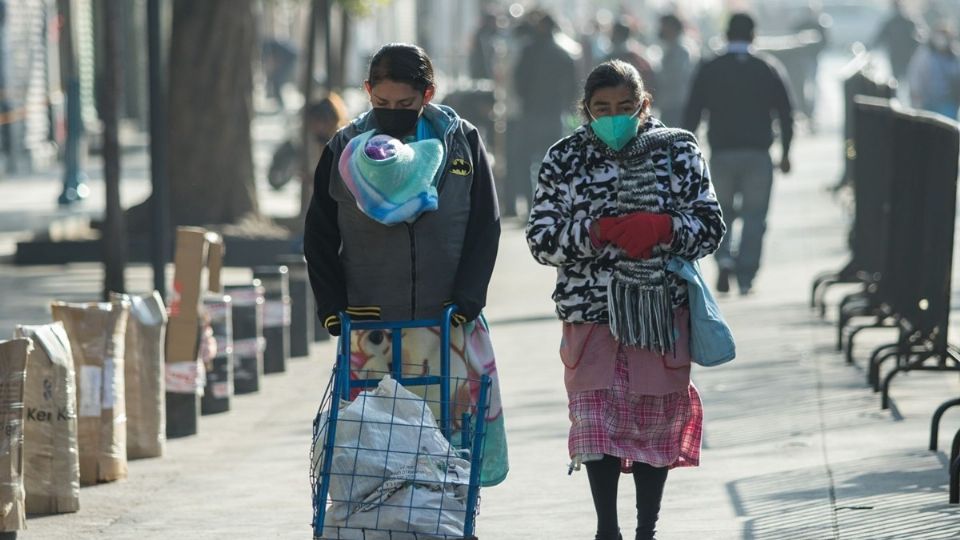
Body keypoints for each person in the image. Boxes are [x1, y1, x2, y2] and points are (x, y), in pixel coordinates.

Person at [526, 59, 724, 540]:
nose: (613, 116)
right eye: (601, 108)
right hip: (589, 315)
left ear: (644, 106)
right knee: (596, 424)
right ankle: (607, 528)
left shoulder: (678, 151)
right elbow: (541, 239)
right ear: (585, 111)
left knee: (653, 426)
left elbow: (709, 226)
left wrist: (664, 227)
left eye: (624, 107)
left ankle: (645, 529)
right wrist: (595, 233)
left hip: (659, 313)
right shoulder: (564, 158)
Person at [304, 43, 508, 486]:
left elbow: (484, 226)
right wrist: (333, 308)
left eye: (405, 104)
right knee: (376, 451)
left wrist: (469, 298)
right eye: (382, 104)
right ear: (367, 92)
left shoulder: (461, 143)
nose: (392, 113)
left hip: (447, 324)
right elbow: (319, 236)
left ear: (428, 94)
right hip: (371, 330)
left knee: (449, 447)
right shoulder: (345, 150)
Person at [683, 12, 794, 295]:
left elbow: (693, 111)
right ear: (754, 35)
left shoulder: (710, 68)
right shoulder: (767, 68)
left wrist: (685, 152)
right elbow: (785, 112)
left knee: (722, 213)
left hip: (721, 153)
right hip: (758, 153)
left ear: (727, 35)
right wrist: (786, 151)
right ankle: (746, 275)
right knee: (755, 216)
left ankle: (724, 260)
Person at [512, 10, 579, 215]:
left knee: (532, 162)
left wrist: (526, 99)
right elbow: (573, 86)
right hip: (554, 112)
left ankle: (536, 204)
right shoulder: (564, 52)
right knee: (555, 159)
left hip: (532, 112)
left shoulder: (528, 50)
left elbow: (519, 81)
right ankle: (555, 205)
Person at [906, 23, 960, 119]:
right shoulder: (925, 53)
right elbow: (915, 74)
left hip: (947, 103)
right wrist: (915, 94)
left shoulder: (955, 58)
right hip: (926, 101)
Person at [654, 13, 698, 127]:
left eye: (664, 26)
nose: (661, 30)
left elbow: (676, 77)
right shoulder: (670, 47)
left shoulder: (681, 50)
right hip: (669, 104)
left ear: (672, 28)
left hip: (677, 105)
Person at [872, 0, 922, 83]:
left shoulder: (908, 22)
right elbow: (881, 36)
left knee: (907, 78)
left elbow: (917, 39)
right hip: (896, 55)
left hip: (906, 55)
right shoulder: (891, 22)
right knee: (897, 79)